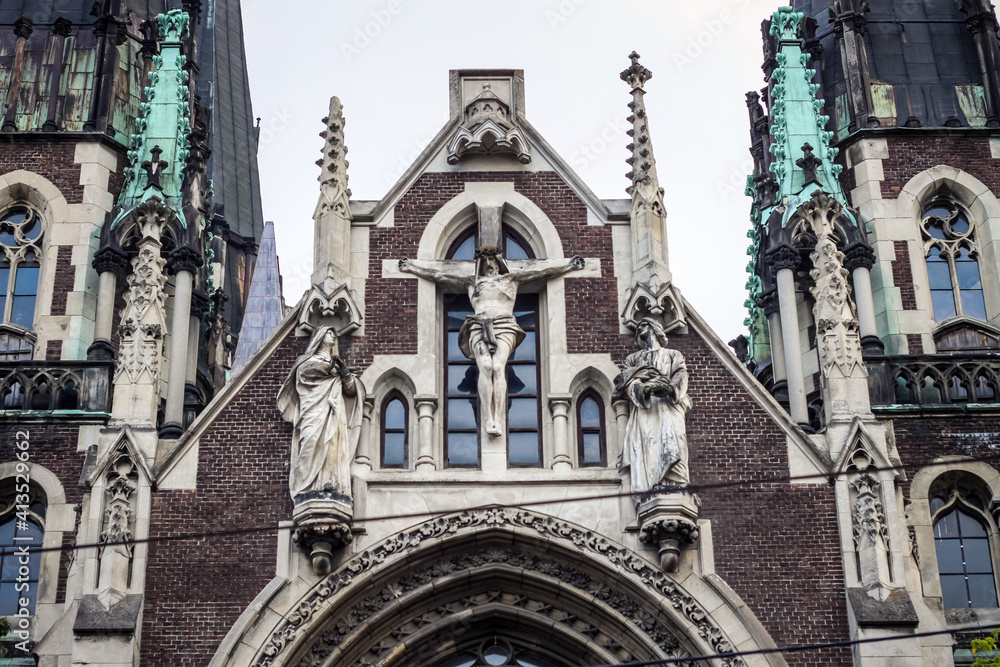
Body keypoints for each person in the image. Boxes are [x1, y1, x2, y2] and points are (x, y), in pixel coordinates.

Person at [399, 245, 583, 436]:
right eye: (485, 260)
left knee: (497, 367)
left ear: (499, 262)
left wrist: (568, 265)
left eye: (492, 259)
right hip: (479, 324)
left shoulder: (511, 280)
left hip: (505, 325)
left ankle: (498, 418)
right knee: (486, 366)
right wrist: (414, 267)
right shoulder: (473, 282)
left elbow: (543, 272)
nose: (489, 264)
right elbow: (439, 275)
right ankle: (488, 418)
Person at [277, 325, 365, 502]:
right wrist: (329, 369)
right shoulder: (306, 361)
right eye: (329, 333)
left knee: (332, 446)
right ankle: (306, 486)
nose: (333, 336)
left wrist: (345, 373)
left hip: (333, 412)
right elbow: (303, 373)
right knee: (309, 440)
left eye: (334, 332)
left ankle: (329, 483)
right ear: (320, 337)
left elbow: (350, 390)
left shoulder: (338, 366)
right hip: (312, 411)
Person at [615, 317, 692, 495]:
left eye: (645, 324)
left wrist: (669, 387)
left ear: (655, 329)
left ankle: (676, 481)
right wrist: (644, 388)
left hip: (669, 404)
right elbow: (625, 381)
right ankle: (652, 482)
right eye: (639, 325)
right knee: (649, 442)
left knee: (675, 438)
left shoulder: (673, 354)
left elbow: (680, 373)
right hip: (646, 407)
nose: (640, 326)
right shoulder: (633, 359)